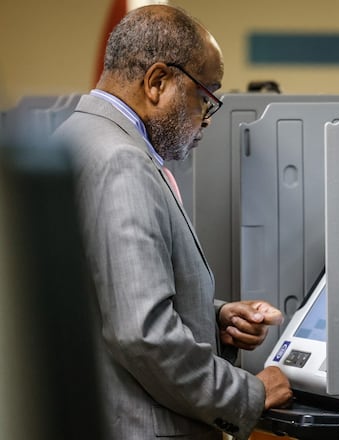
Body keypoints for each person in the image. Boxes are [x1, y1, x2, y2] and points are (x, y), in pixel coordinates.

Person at [51, 5, 292, 439]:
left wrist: (212, 317)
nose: (205, 121)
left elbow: (103, 294)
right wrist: (248, 395)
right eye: (206, 96)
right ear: (157, 81)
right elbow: (142, 335)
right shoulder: (122, 161)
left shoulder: (74, 136)